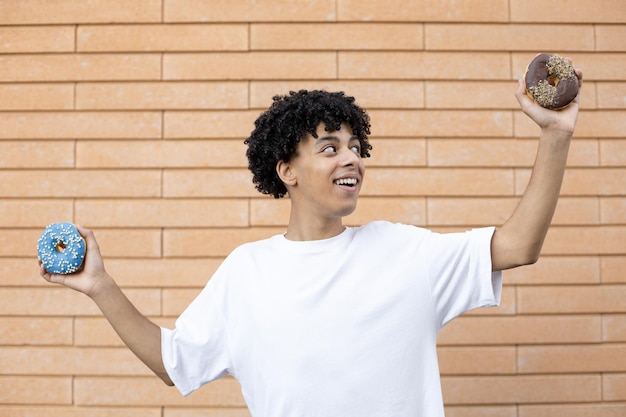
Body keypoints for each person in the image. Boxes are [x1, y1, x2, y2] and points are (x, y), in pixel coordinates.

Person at [40, 64, 582, 416]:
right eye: (328, 147)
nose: (350, 158)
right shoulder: (246, 272)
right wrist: (100, 285)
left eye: (353, 146)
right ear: (288, 171)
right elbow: (172, 362)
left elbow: (517, 245)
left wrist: (555, 134)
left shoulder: (405, 252)